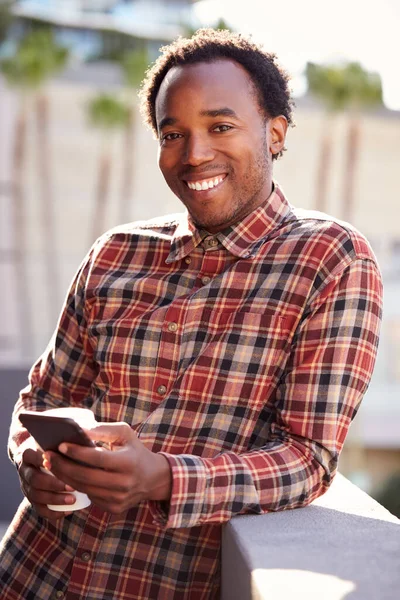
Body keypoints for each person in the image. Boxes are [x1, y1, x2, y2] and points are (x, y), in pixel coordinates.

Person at [0, 28, 383, 600]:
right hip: (31, 572)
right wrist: (31, 457)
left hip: (163, 583)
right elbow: (42, 398)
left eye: (220, 126)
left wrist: (161, 477)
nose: (194, 153)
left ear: (275, 133)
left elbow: (308, 460)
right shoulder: (114, 251)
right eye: (172, 133)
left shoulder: (330, 258)